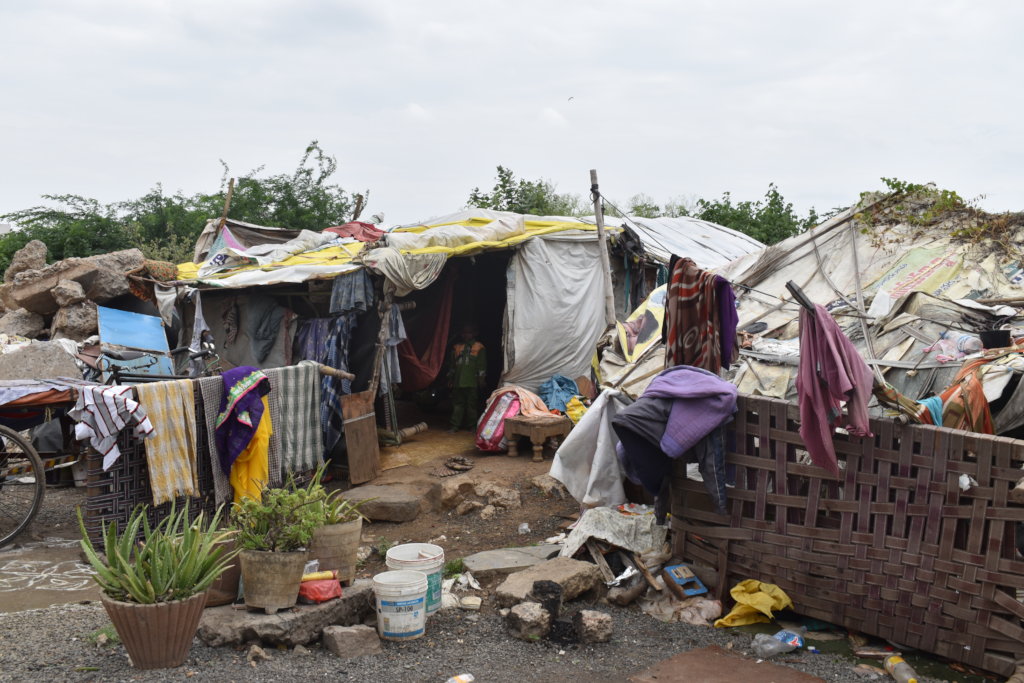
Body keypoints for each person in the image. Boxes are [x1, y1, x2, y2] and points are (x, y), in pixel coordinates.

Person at [448, 323, 487, 432]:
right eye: (464, 333)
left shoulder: (479, 347)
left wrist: (481, 380)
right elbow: (452, 366)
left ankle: (472, 426)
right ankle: (455, 425)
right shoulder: (456, 347)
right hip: (458, 381)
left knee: (472, 405)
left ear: (475, 333)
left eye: (469, 332)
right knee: (457, 404)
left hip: (472, 381)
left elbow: (482, 365)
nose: (466, 335)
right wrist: (450, 379)